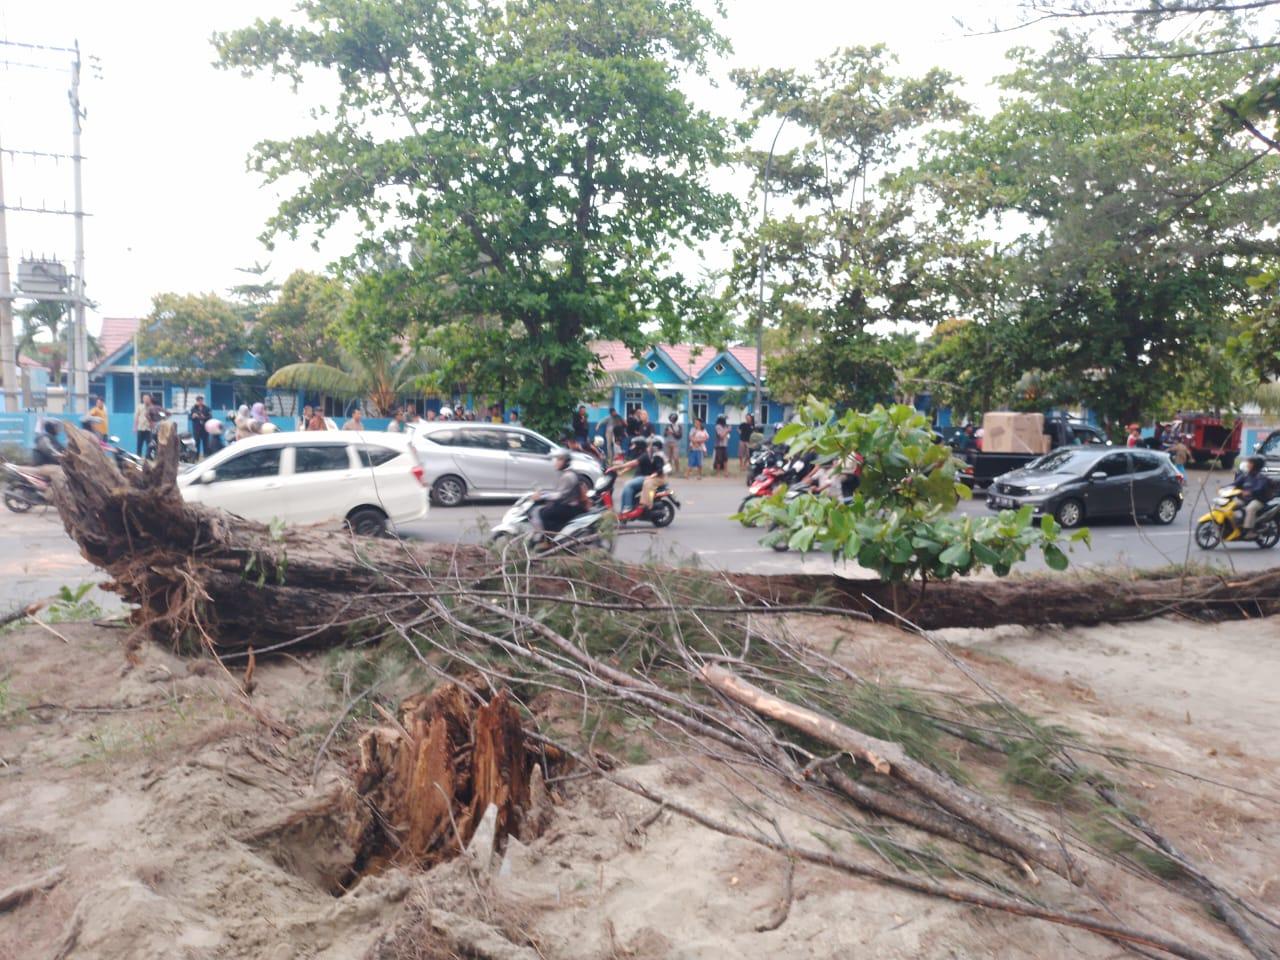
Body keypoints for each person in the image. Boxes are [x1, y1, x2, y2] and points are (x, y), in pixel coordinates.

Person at [530, 451, 586, 534]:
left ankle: (553, 538)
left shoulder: (568, 476)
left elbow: (560, 495)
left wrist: (542, 496)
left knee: (544, 513)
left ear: (566, 462)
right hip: (569, 504)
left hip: (571, 507)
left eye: (559, 460)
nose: (556, 462)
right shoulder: (568, 473)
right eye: (557, 460)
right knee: (548, 508)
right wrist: (543, 494)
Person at [618, 436, 656, 514]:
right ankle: (623, 513)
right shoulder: (641, 454)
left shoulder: (644, 455)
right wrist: (622, 471)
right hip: (639, 478)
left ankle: (628, 508)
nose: (633, 447)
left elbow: (634, 463)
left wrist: (619, 467)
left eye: (634, 445)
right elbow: (634, 465)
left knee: (628, 485)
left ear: (639, 446)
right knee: (625, 490)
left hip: (645, 478)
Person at [1236, 455, 1269, 537]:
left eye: (1250, 463)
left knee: (1250, 508)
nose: (1247, 464)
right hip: (1246, 499)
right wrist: (1224, 488)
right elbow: (1235, 484)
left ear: (1256, 465)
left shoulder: (1261, 477)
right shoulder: (1245, 475)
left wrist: (1250, 492)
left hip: (1258, 500)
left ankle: (1249, 531)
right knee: (1230, 505)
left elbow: (1259, 488)